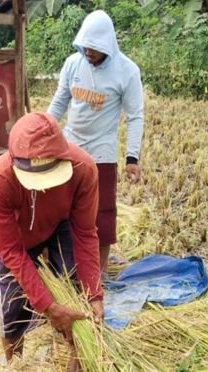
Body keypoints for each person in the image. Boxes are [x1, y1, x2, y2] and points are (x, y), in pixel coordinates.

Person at [0, 112, 104, 372]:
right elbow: (11, 250)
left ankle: (77, 357)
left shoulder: (83, 169)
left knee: (76, 294)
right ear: (16, 163)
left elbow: (85, 233)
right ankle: (15, 368)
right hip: (16, 238)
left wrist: (94, 294)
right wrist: (47, 306)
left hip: (59, 226)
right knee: (13, 307)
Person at [47, 9, 144, 278]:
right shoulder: (72, 64)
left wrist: (132, 158)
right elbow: (59, 103)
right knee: (62, 212)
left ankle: (97, 276)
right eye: (84, 46)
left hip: (102, 153)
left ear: (107, 45)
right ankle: (66, 269)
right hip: (70, 149)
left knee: (101, 217)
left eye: (94, 47)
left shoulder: (127, 71)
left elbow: (135, 115)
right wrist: (41, 133)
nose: (88, 51)